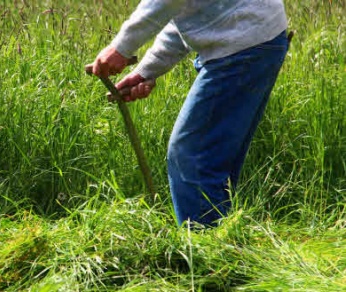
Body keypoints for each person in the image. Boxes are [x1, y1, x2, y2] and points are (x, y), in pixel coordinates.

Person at [91, 0, 289, 227]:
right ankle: (223, 246)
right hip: (253, 39)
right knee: (211, 159)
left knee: (192, 155)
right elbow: (186, 15)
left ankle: (203, 253)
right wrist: (147, 70)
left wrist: (120, 48)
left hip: (242, 46)